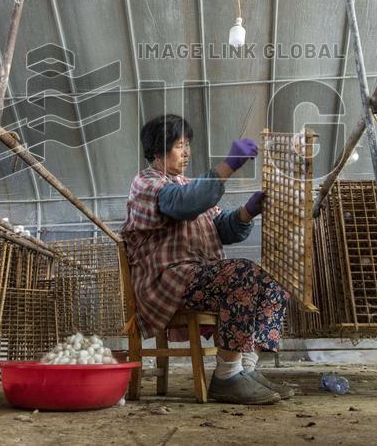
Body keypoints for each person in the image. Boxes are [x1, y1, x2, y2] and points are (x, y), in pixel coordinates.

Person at [122, 114, 292, 405]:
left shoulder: (188, 184)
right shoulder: (146, 184)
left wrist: (249, 210)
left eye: (187, 144)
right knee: (243, 275)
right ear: (157, 150)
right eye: (178, 145)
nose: (186, 152)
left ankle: (245, 370)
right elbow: (184, 203)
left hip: (198, 278)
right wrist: (228, 166)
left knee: (274, 287)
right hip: (167, 280)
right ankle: (226, 376)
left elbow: (221, 227)